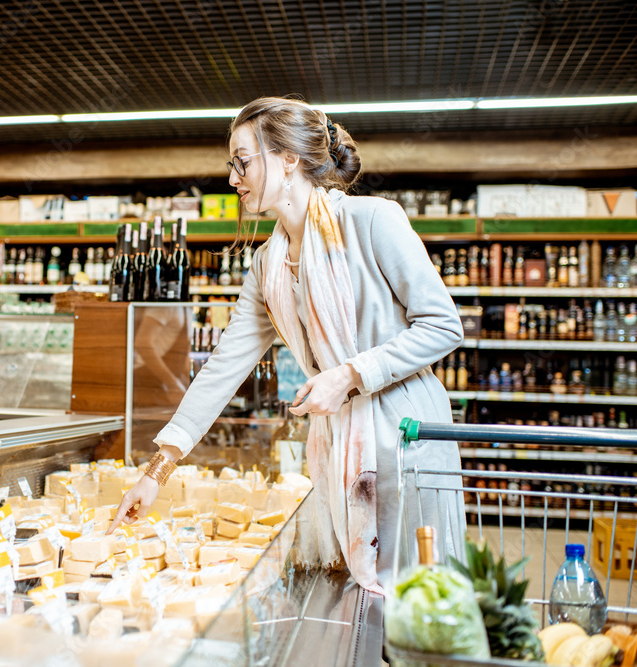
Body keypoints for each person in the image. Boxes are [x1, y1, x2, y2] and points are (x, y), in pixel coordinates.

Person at [109, 97, 466, 594]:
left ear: (289, 160)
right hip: (339, 447)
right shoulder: (267, 266)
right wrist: (157, 470)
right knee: (367, 603)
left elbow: (443, 326)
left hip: (406, 439)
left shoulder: (372, 221)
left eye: (243, 160)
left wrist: (349, 375)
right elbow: (223, 367)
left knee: (427, 603)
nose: (234, 178)